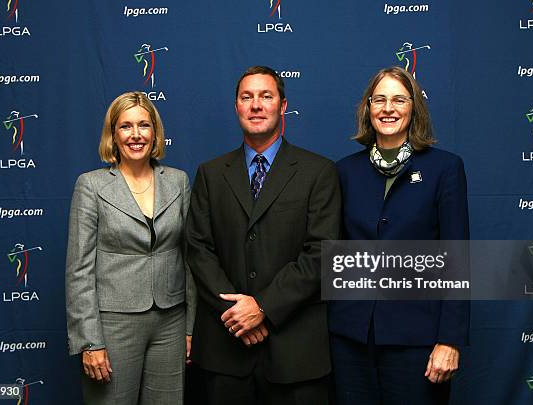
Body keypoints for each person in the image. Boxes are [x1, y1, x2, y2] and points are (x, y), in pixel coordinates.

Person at [185, 66, 341, 405]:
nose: (256, 105)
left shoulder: (319, 172)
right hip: (226, 351)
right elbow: (198, 249)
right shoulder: (210, 174)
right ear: (237, 107)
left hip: (296, 354)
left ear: (283, 106)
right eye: (247, 97)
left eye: (266, 96)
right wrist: (239, 313)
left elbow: (322, 253)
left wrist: (264, 307)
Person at [328, 66, 470, 405]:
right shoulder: (344, 171)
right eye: (379, 100)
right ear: (368, 108)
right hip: (351, 339)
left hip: (417, 340)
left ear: (414, 109)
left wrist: (449, 341)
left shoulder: (444, 169)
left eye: (398, 100)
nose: (388, 108)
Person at [65, 91, 195, 405]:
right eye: (125, 127)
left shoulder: (178, 181)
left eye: (144, 126)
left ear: (155, 132)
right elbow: (79, 269)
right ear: (113, 134)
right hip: (112, 324)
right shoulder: (91, 185)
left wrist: (191, 327)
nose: (136, 135)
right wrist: (89, 341)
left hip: (171, 320)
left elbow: (190, 259)